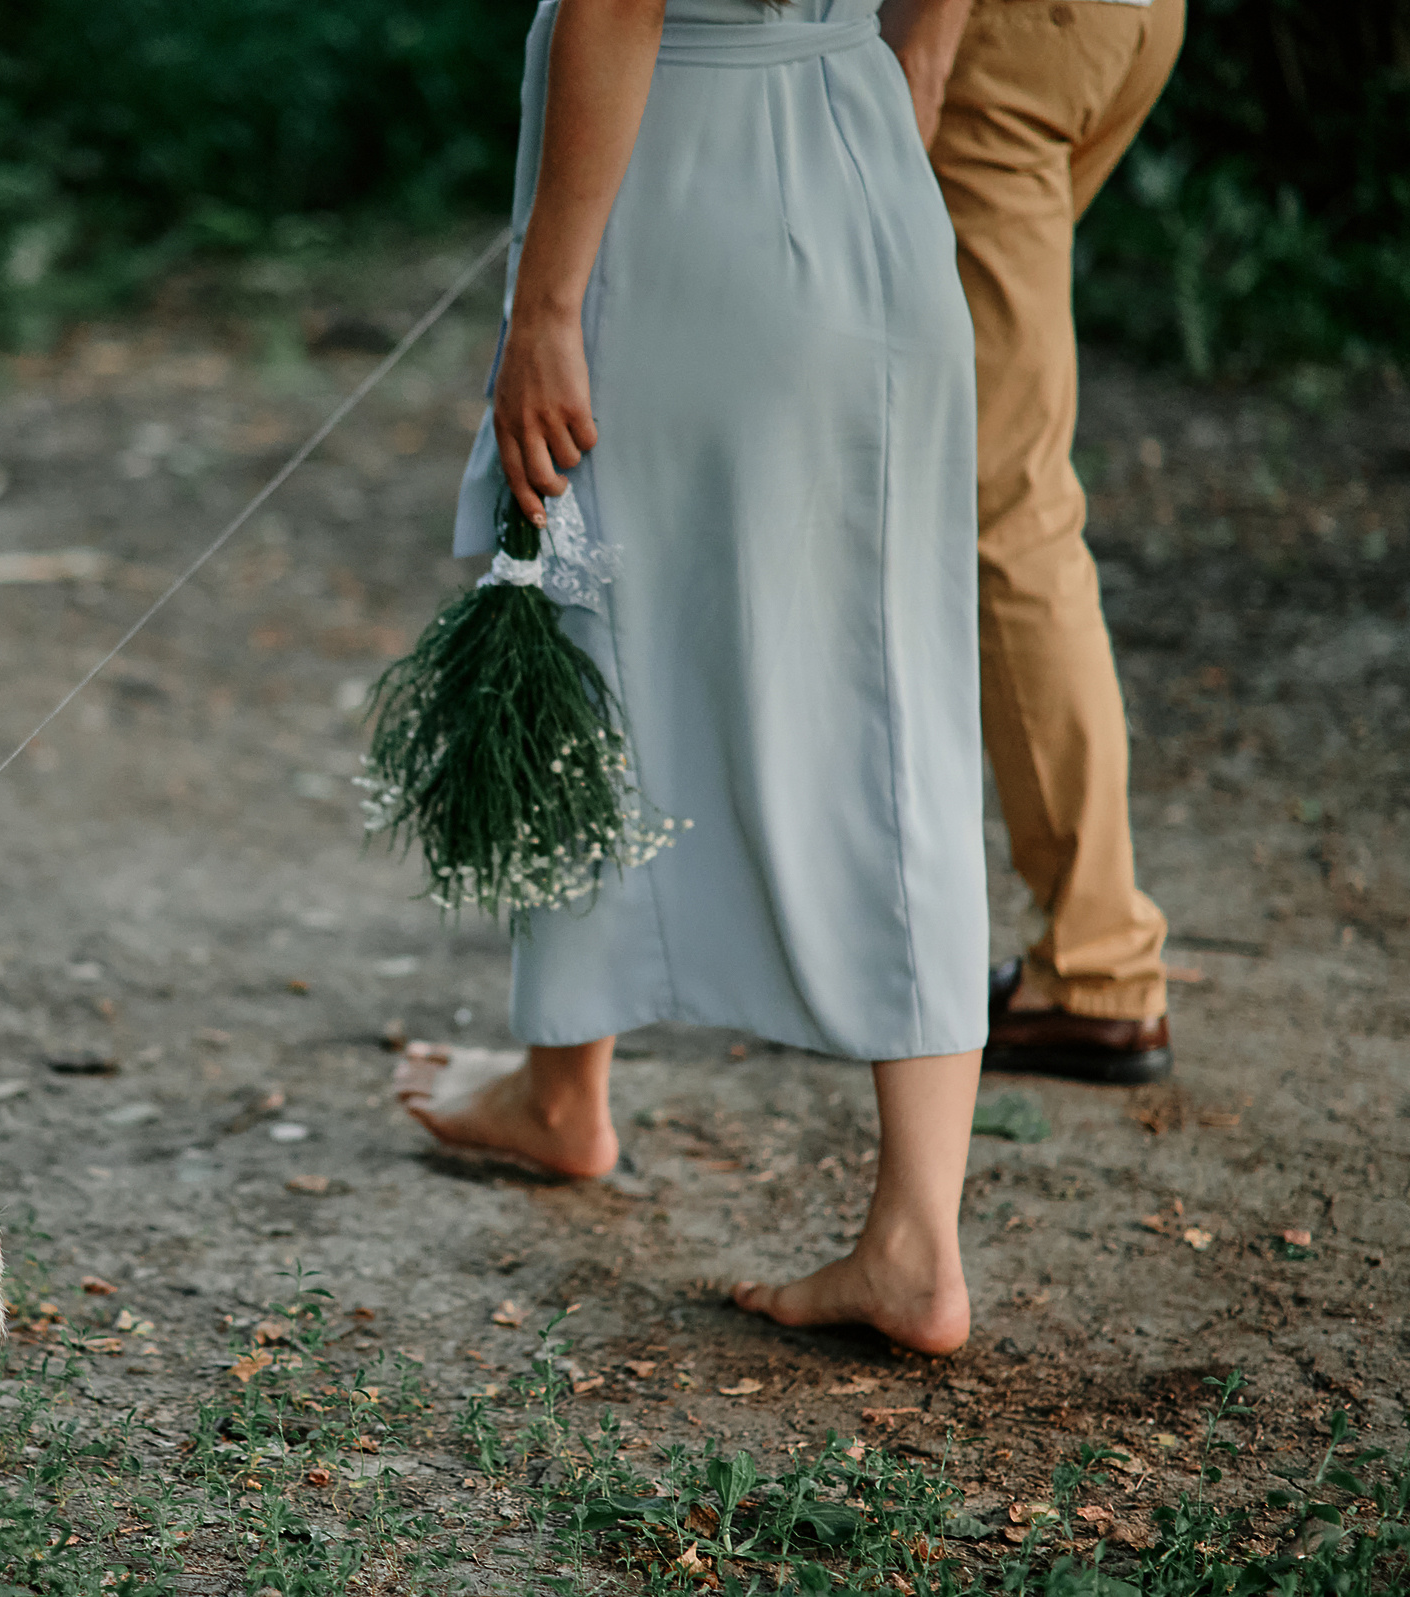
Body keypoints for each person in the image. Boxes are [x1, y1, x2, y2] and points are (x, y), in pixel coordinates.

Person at [397, 0, 987, 1355]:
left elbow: (619, 1)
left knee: (592, 622)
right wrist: (897, 96)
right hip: (863, 154)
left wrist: (546, 307)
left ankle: (901, 1249)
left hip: (693, 183)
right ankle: (578, 1094)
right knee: (890, 696)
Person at [880, 0, 1184, 1085]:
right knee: (973, 460)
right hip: (1124, 25)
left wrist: (927, 37)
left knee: (1004, 500)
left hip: (1003, 37)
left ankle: (1098, 966)